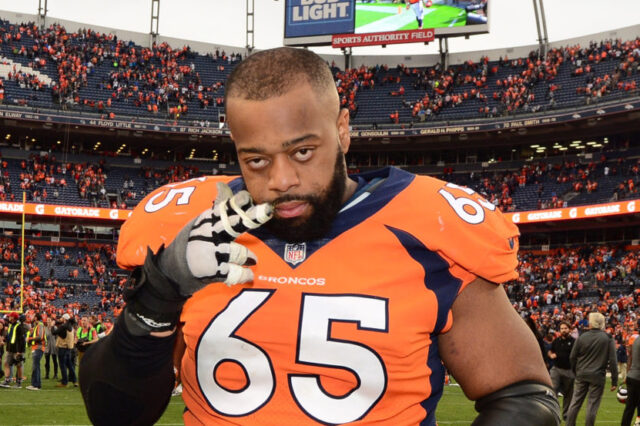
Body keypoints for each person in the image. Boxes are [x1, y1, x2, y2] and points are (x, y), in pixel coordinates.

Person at [80, 47, 560, 425]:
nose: (281, 179)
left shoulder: (426, 229)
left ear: (343, 130)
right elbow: (114, 414)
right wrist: (158, 297)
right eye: (257, 160)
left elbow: (523, 397)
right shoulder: (198, 233)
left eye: (303, 151)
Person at [565, 312, 617, 426]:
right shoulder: (607, 338)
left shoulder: (582, 336)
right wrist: (614, 380)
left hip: (581, 373)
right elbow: (613, 360)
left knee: (575, 403)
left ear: (590, 322)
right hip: (597, 376)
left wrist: (575, 371)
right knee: (592, 405)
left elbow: (572, 357)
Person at [548, 321, 575, 421]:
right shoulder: (556, 341)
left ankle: (566, 414)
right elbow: (550, 350)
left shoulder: (573, 342)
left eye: (565, 328)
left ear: (570, 330)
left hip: (568, 370)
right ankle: (553, 412)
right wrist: (550, 355)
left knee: (568, 393)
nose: (563, 330)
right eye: (562, 329)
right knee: (553, 389)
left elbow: (574, 355)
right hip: (557, 369)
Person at [0, 312, 26, 388]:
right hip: (10, 349)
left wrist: (19, 351)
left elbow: (21, 340)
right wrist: (4, 340)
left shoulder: (19, 326)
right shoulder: (11, 325)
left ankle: (19, 382)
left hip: (17, 349)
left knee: (18, 365)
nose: (9, 318)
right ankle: (7, 380)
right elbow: (9, 336)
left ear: (13, 318)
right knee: (6, 363)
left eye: (10, 317)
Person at [53, 313, 77, 388]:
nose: (60, 319)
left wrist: (52, 326)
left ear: (64, 319)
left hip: (63, 348)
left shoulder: (63, 327)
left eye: (62, 318)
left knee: (62, 365)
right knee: (70, 365)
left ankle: (64, 382)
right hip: (69, 348)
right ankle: (75, 380)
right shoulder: (71, 327)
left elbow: (54, 333)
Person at [622, 331, 640, 426]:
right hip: (638, 377)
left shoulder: (636, 340)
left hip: (632, 376)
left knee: (629, 408)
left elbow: (630, 359)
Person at [25, 312, 46, 390]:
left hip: (39, 347)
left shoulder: (40, 325)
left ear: (36, 318)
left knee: (35, 366)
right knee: (35, 366)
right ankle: (35, 384)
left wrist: (29, 339)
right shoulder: (37, 326)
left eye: (33, 316)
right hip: (36, 347)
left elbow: (40, 337)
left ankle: (36, 385)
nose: (32, 317)